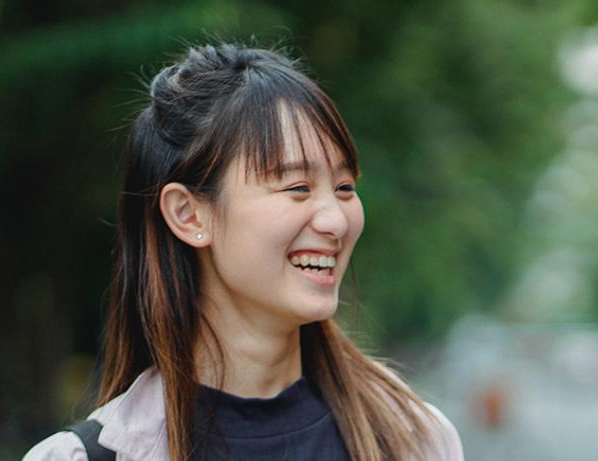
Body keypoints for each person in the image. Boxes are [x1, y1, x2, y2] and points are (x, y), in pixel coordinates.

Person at [24, 43, 463, 461]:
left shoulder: (412, 440)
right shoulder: (84, 456)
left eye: (345, 187)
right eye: (297, 187)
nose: (335, 220)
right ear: (190, 215)